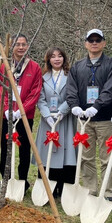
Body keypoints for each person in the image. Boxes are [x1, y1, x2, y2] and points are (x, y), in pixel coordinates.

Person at [66, 29, 112, 206]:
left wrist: (97, 106)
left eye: (98, 40)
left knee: (108, 158)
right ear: (86, 44)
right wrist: (74, 105)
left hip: (105, 119)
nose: (94, 43)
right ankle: (90, 190)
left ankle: (108, 193)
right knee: (85, 157)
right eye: (91, 40)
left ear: (104, 43)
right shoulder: (77, 66)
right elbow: (71, 88)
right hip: (83, 121)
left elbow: (110, 90)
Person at [0, 34, 42, 194]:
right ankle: (4, 180)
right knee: (5, 147)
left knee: (24, 149)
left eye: (24, 44)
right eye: (17, 44)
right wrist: (7, 109)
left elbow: (35, 91)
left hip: (25, 116)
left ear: (27, 46)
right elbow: (0, 87)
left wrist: (21, 110)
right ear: (12, 47)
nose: (21, 47)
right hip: (7, 116)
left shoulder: (34, 67)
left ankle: (22, 180)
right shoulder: (4, 66)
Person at [33, 47, 77, 198]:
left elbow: (73, 95)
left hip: (65, 119)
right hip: (48, 120)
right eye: (53, 56)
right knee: (48, 152)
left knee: (66, 152)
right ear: (48, 60)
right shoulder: (43, 77)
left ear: (64, 58)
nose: (57, 59)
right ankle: (47, 187)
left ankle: (63, 188)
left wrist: (62, 111)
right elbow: (40, 98)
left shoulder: (71, 76)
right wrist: (47, 115)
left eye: (59, 56)